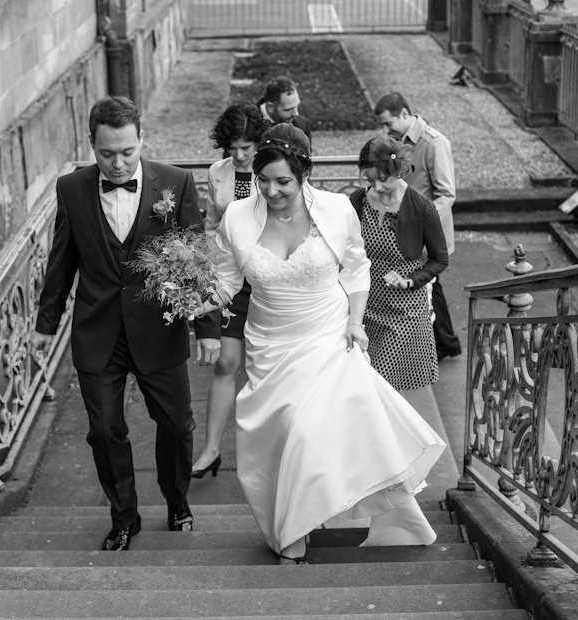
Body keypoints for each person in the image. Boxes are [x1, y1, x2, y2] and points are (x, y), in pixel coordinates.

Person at [193, 123, 446, 564]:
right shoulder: (236, 216)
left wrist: (356, 323)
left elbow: (356, 268)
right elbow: (229, 278)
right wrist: (195, 302)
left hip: (328, 332)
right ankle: (289, 522)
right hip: (270, 340)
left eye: (283, 182)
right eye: (263, 180)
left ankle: (298, 527)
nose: (271, 191)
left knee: (306, 429)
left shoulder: (336, 209)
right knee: (276, 438)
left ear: (304, 174)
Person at [31, 96, 221, 551]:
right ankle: (124, 518)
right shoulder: (71, 189)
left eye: (127, 152)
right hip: (98, 331)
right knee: (104, 431)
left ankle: (176, 500)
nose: (117, 164)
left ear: (142, 139)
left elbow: (197, 258)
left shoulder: (176, 182)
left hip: (158, 329)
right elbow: (62, 260)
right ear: (91, 144)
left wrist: (208, 328)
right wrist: (45, 324)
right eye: (106, 153)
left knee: (177, 426)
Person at [192, 103, 270, 478]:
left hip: (268, 278)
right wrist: (205, 270)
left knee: (267, 368)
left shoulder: (273, 172)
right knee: (225, 362)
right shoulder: (217, 172)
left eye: (246, 148)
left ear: (259, 143)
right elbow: (211, 224)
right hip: (228, 278)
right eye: (232, 147)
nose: (238, 155)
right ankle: (211, 450)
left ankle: (271, 453)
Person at [349, 136, 448, 398]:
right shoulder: (358, 200)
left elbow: (440, 259)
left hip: (404, 312)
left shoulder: (421, 207)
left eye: (383, 179)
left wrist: (410, 280)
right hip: (365, 307)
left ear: (399, 170)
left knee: (377, 383)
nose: (377, 186)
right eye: (370, 179)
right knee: (365, 383)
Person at [374, 92, 462, 361]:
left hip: (425, 231)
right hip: (403, 228)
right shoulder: (395, 140)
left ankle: (443, 343)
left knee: (427, 282)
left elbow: (447, 194)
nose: (385, 130)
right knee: (428, 284)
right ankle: (444, 342)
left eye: (388, 123)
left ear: (404, 114)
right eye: (382, 125)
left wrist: (421, 221)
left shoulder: (435, 143)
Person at [258, 76, 314, 144]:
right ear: (270, 107)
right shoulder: (248, 123)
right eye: (288, 110)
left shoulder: (303, 126)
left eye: (296, 106)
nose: (296, 113)